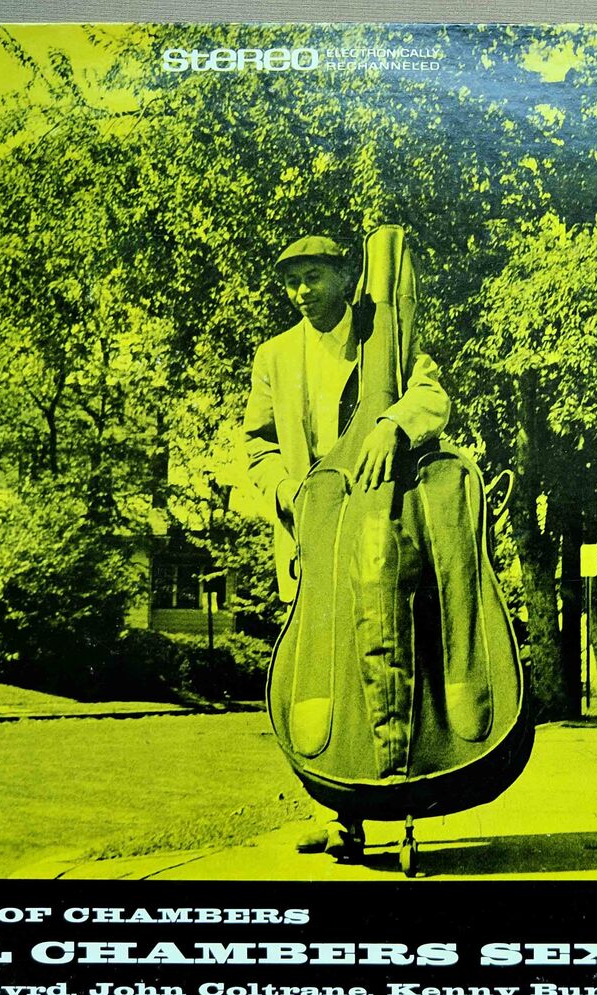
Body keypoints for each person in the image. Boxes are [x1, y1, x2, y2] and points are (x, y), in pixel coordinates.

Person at [242, 234, 450, 859]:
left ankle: (410, 793)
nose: (302, 292)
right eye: (291, 282)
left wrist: (393, 424)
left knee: (392, 657)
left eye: (313, 277)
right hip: (311, 539)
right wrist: (287, 493)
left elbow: (432, 395)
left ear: (344, 275)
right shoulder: (275, 355)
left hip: (381, 535)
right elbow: (257, 445)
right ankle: (337, 816)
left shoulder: (382, 336)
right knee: (319, 674)